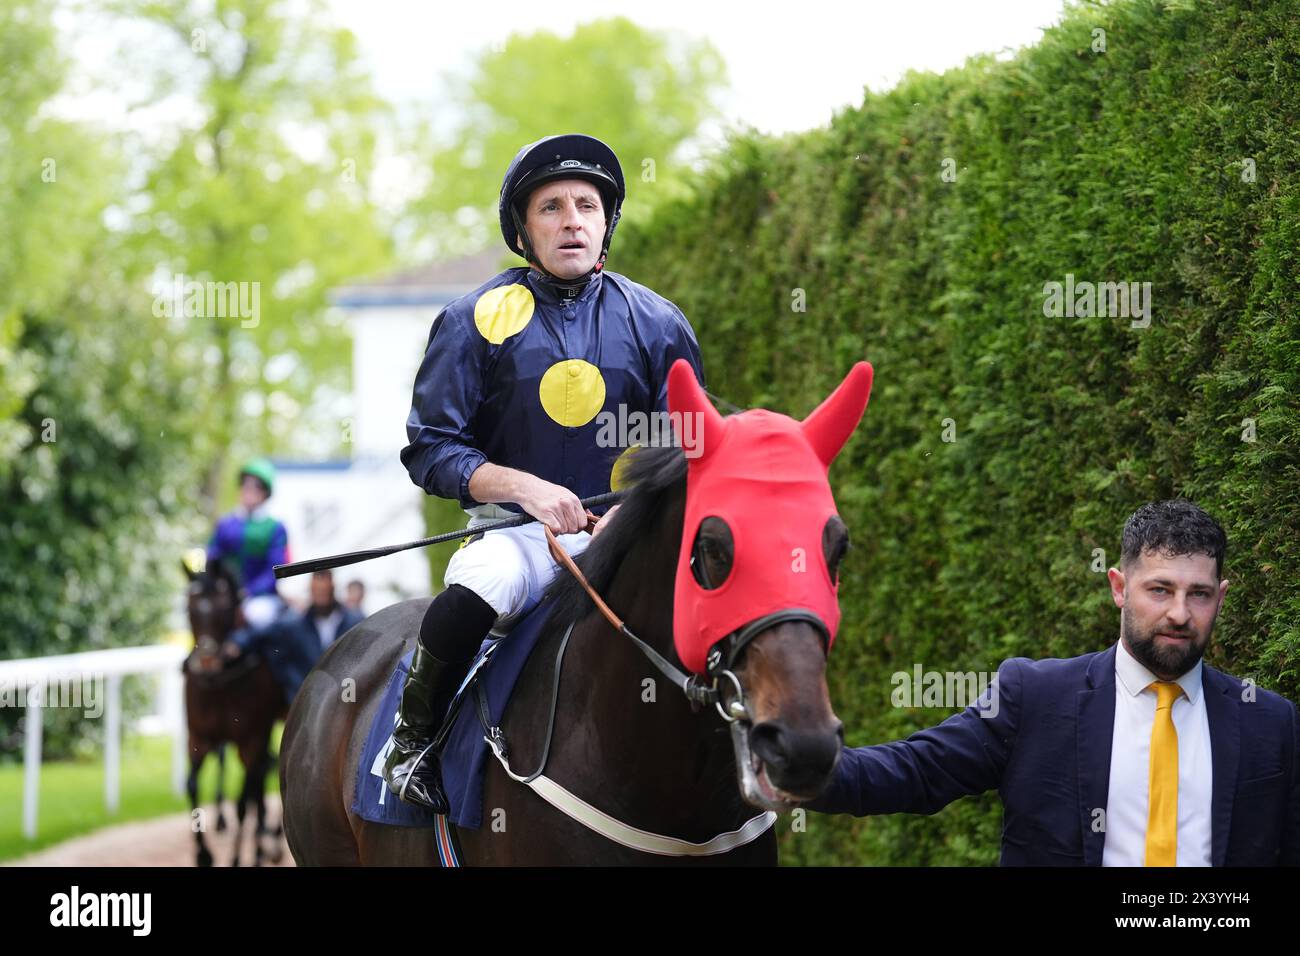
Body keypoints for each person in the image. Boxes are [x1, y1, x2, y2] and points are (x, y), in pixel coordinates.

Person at [385, 133, 706, 811]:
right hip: (517, 540)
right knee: (480, 583)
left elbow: (692, 448)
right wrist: (522, 489)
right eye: (552, 207)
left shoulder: (657, 323)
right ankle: (411, 745)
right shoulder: (471, 320)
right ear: (524, 231)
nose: (572, 221)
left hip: (629, 539)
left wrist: (634, 511)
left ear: (605, 224)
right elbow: (431, 448)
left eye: (587, 206)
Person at [804, 499, 1299, 865]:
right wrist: (798, 770)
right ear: (1119, 588)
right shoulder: (1034, 697)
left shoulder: (1271, 722)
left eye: (1200, 594)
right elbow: (919, 771)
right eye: (1160, 589)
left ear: (1222, 597)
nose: (1179, 613)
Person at [206, 457, 291, 658]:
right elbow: (212, 556)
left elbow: (275, 570)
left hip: (259, 598)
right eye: (245, 485)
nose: (248, 490)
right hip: (225, 594)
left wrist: (248, 592)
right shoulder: (225, 524)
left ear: (265, 493)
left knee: (258, 617)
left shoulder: (275, 528)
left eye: (256, 486)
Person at [271, 570, 365, 702]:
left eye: (325, 591)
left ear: (333, 589)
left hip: (345, 697)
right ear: (311, 590)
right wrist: (299, 687)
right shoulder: (294, 626)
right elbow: (282, 661)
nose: (321, 595)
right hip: (306, 698)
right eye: (317, 591)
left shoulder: (354, 621)